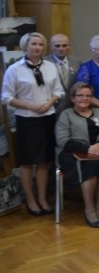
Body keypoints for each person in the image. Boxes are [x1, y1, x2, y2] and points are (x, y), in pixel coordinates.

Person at [2, 32, 65, 216]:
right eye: (34, 44)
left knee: (44, 161)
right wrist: (29, 105)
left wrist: (50, 101)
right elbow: (6, 97)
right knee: (28, 162)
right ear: (25, 47)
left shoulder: (50, 66)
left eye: (40, 44)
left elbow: (59, 90)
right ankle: (30, 200)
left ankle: (43, 198)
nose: (37, 47)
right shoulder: (15, 69)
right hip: (27, 119)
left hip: (47, 117)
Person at [55, 82, 99, 227]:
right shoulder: (66, 114)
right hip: (72, 153)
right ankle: (89, 209)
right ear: (72, 98)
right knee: (89, 167)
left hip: (98, 151)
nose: (84, 98)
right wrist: (88, 148)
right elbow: (62, 140)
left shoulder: (98, 112)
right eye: (80, 95)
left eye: (88, 95)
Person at [46, 33, 82, 113]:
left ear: (69, 46)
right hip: (52, 107)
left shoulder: (77, 62)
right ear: (50, 47)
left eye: (64, 45)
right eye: (57, 46)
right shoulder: (44, 63)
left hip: (73, 107)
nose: (61, 48)